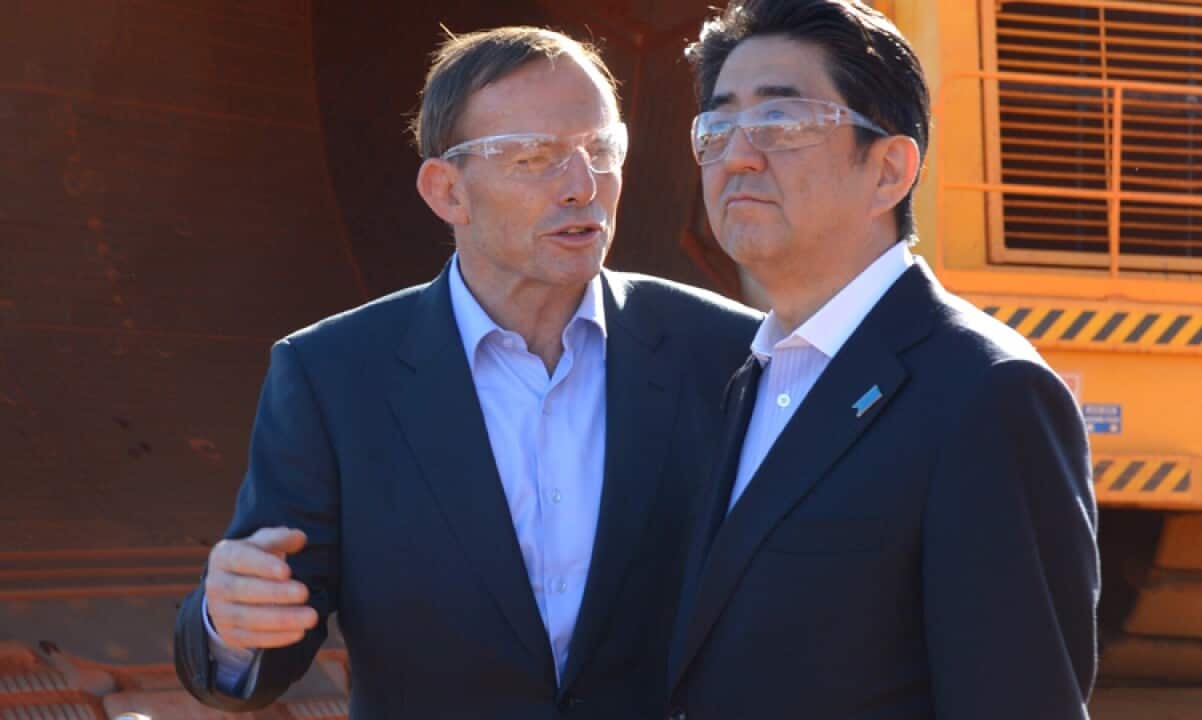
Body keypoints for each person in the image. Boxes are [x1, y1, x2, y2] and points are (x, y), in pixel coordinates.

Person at [172, 26, 758, 719]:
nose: (582, 186)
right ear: (446, 191)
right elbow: (266, 637)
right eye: (535, 158)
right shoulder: (332, 377)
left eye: (601, 150)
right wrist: (230, 625)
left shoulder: (727, 354)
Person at [667, 1, 1100, 718]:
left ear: (890, 170)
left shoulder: (986, 395)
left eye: (781, 122)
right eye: (717, 127)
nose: (738, 154)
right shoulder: (749, 376)